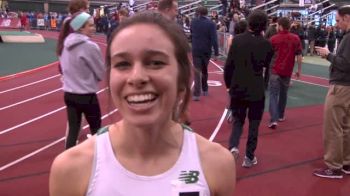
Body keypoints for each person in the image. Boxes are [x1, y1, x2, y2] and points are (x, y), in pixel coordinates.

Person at [49, 11, 236, 195]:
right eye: (122, 64)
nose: (136, 77)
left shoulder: (217, 164)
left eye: (155, 62)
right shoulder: (71, 169)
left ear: (182, 78)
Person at [224, 10, 274, 168]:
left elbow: (228, 67)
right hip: (256, 90)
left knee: (237, 121)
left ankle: (233, 147)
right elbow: (267, 69)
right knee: (254, 124)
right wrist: (264, 86)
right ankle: (249, 156)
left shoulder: (237, 41)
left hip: (238, 87)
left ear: (249, 23)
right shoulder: (266, 44)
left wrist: (228, 85)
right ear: (264, 25)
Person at [57, 11, 105, 149]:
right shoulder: (90, 46)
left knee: (73, 130)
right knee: (97, 131)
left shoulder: (64, 45)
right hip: (87, 95)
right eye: (90, 25)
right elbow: (100, 73)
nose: (94, 28)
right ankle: (100, 161)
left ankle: (68, 163)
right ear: (81, 28)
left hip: (69, 94)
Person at [313, 5, 350, 179]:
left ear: (347, 18)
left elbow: (344, 64)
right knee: (346, 127)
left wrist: (328, 55)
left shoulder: (348, 38)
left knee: (333, 126)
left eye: (338, 20)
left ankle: (334, 167)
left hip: (341, 86)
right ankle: (346, 163)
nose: (336, 24)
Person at [268, 17, 302, 129]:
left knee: (273, 94)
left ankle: (273, 119)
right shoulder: (295, 38)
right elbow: (299, 55)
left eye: (277, 25)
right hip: (287, 70)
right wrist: (299, 70)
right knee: (283, 93)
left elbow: (268, 55)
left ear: (281, 26)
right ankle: (281, 115)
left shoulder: (273, 39)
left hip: (275, 70)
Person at [191, 6, 219, 101]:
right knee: (204, 70)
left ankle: (196, 94)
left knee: (197, 71)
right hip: (206, 50)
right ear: (206, 13)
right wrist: (216, 53)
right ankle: (205, 89)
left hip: (196, 50)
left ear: (197, 13)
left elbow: (191, 33)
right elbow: (214, 39)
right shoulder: (211, 24)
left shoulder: (193, 22)